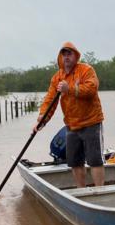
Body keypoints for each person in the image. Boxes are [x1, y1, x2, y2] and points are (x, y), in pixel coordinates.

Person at [34, 42, 105, 188]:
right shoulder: (57, 78)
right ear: (61, 57)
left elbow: (92, 89)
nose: (66, 57)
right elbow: (50, 101)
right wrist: (42, 119)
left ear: (75, 56)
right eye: (64, 54)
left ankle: (100, 191)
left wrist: (70, 89)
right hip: (71, 125)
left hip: (91, 122)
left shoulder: (86, 70)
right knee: (74, 161)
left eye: (69, 53)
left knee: (95, 160)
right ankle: (81, 191)